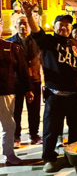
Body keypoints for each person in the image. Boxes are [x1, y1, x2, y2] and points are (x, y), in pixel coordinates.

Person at [21, 2, 77, 173]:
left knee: (76, 130)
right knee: (51, 130)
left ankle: (72, 156)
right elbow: (36, 32)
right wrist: (29, 15)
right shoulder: (48, 42)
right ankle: (50, 158)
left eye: (68, 24)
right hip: (55, 95)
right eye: (61, 24)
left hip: (75, 96)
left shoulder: (76, 46)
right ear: (54, 26)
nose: (65, 27)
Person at [7, 16, 42, 147]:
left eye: (25, 23)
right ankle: (16, 136)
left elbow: (43, 60)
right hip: (17, 82)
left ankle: (34, 135)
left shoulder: (37, 41)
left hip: (34, 80)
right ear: (15, 26)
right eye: (20, 24)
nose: (23, 26)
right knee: (16, 111)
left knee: (34, 110)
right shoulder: (10, 43)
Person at [0, 34, 32, 166]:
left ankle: (8, 154)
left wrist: (28, 89)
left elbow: (22, 70)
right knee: (8, 125)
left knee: (8, 125)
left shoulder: (10, 46)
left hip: (6, 93)